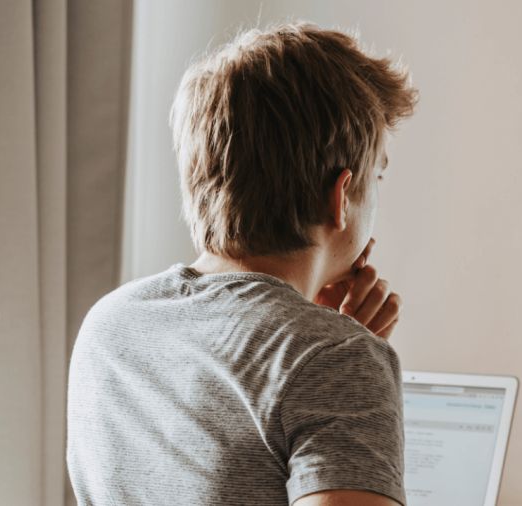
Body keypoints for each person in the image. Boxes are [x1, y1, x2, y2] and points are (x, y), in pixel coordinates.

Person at [66, 22, 418, 506]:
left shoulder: (109, 324)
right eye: (377, 176)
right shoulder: (334, 358)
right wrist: (343, 356)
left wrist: (331, 341)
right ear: (341, 198)